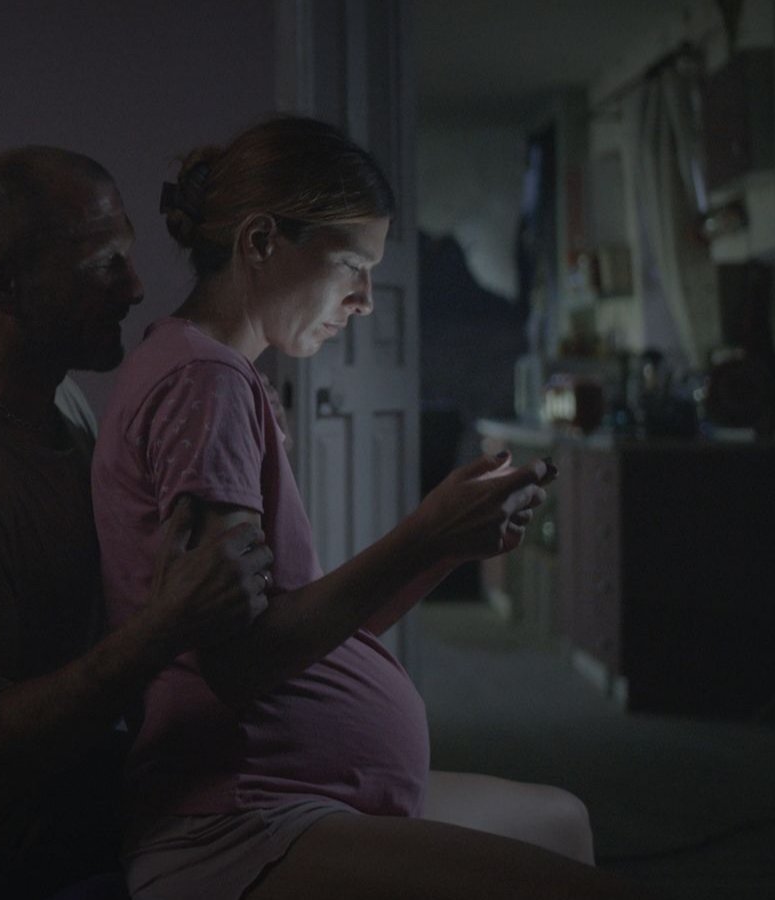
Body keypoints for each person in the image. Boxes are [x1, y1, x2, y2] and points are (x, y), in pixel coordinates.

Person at [91, 116, 648, 900]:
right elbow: (239, 663)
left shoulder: (209, 371)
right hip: (241, 818)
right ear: (261, 241)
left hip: (295, 791)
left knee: (562, 820)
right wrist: (423, 532)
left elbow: (303, 632)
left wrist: (446, 544)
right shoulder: (203, 381)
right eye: (352, 265)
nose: (365, 301)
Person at [0, 146, 274, 900]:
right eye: (102, 265)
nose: (135, 288)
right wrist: (165, 628)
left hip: (57, 783)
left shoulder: (51, 399)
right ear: (3, 283)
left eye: (128, 256)